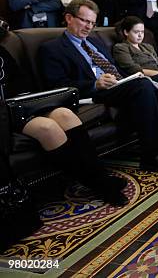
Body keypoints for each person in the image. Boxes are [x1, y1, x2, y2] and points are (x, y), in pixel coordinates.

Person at [38, 0, 158, 173]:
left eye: (92, 23)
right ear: (69, 18)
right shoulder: (52, 48)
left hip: (119, 83)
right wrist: (94, 84)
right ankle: (151, 155)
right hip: (95, 91)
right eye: (84, 21)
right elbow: (58, 85)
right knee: (142, 86)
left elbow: (115, 68)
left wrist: (132, 76)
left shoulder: (95, 41)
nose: (88, 27)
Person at [0, 22, 127, 206]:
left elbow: (21, 84)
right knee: (47, 127)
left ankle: (99, 175)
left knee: (65, 114)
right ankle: (98, 184)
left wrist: (28, 100)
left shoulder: (3, 53)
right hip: (5, 117)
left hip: (18, 105)